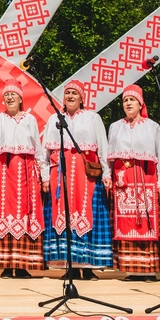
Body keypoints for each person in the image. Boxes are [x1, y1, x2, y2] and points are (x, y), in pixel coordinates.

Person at [42, 80, 111, 279]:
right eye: (67, 93)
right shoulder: (54, 118)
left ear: (82, 98)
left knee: (87, 214)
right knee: (63, 215)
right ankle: (70, 266)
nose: (70, 96)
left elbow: (103, 147)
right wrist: (45, 176)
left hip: (86, 175)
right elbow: (46, 152)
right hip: (60, 174)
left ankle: (88, 268)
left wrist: (106, 173)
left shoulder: (92, 118)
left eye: (74, 93)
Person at [0, 81, 44, 279]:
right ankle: (6, 265)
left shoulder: (30, 120)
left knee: (25, 214)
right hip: (4, 170)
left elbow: (38, 150)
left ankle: (23, 264)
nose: (9, 98)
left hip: (27, 171)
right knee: (3, 214)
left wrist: (43, 175)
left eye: (13, 95)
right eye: (6, 95)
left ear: (20, 98)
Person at [107, 84, 160, 279]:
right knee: (126, 221)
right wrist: (108, 176)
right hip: (123, 180)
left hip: (145, 178)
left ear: (140, 103)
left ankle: (148, 269)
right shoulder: (115, 127)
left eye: (132, 100)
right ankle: (130, 267)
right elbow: (109, 157)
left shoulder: (152, 126)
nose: (128, 103)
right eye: (125, 100)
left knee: (145, 223)